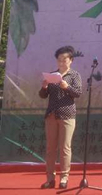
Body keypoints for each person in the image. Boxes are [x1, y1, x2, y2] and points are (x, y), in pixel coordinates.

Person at [39, 45, 83, 189]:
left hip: (67, 115)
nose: (62, 62)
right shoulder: (52, 75)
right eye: (59, 60)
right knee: (50, 148)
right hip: (52, 114)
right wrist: (44, 87)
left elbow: (78, 93)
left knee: (65, 148)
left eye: (64, 60)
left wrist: (67, 87)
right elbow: (43, 95)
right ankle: (50, 179)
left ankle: (64, 178)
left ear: (71, 60)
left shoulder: (74, 75)